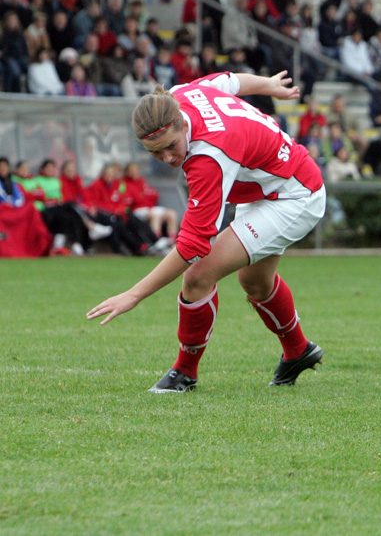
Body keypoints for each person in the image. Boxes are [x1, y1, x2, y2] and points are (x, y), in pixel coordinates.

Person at [86, 70, 325, 393]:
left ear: (184, 125)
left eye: (171, 146)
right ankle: (299, 351)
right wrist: (267, 85)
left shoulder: (208, 156)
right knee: (253, 281)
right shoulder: (180, 94)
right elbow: (230, 80)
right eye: (155, 152)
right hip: (269, 184)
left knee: (198, 275)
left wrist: (134, 294)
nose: (168, 158)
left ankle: (184, 372)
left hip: (295, 194)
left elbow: (192, 245)